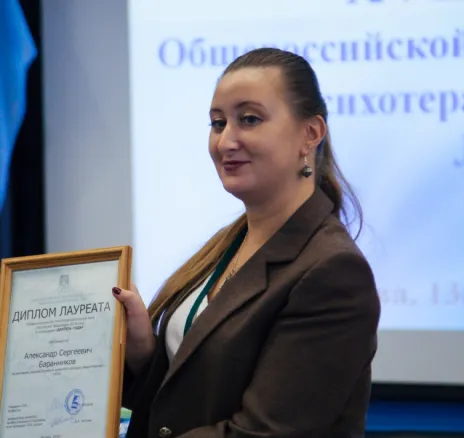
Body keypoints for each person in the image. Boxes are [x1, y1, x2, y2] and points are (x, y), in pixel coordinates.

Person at [112, 47, 382, 438]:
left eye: (250, 119)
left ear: (310, 133)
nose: (225, 141)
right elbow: (191, 396)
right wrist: (144, 355)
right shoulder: (228, 243)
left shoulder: (334, 272)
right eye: (217, 123)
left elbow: (264, 432)